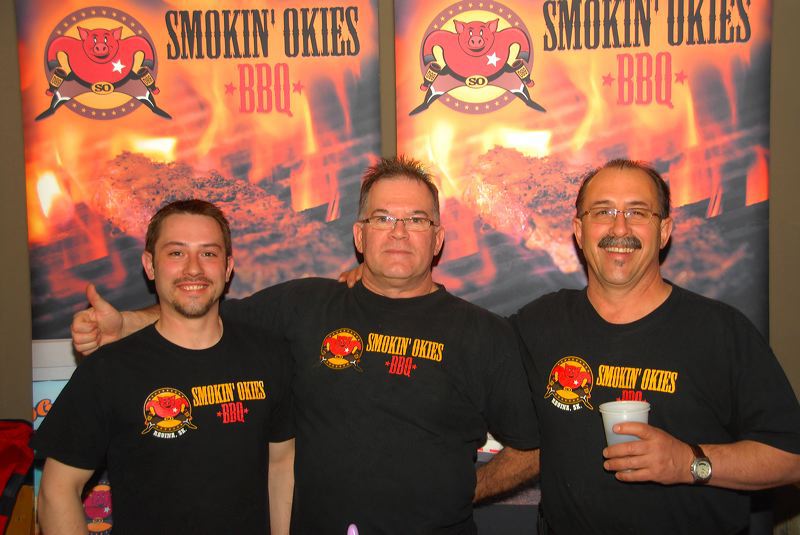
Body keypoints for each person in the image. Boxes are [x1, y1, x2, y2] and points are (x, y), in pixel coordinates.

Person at [70, 156, 540, 534]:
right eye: (382, 218)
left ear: (437, 239)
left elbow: (533, 447)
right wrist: (126, 324)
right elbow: (202, 312)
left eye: (416, 219)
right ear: (359, 235)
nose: (399, 231)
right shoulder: (304, 305)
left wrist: (467, 488)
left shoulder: (482, 334)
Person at [511, 159, 800, 534]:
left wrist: (688, 463)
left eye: (637, 212)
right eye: (603, 212)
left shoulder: (720, 331)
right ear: (578, 231)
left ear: (664, 231)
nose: (619, 228)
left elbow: (792, 458)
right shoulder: (539, 324)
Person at [36, 200, 295, 534]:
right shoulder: (108, 370)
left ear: (228, 267)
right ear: (150, 265)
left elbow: (281, 465)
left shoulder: (269, 357)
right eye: (176, 253)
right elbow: (57, 491)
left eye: (208, 253)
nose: (193, 269)